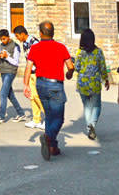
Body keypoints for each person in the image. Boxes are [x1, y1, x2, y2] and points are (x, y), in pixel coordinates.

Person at [23, 21, 74, 161]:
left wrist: (26, 85)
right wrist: (69, 74)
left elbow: (28, 67)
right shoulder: (61, 47)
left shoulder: (35, 48)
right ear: (53, 33)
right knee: (58, 118)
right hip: (55, 86)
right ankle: (48, 137)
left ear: (40, 33)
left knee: (50, 116)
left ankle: (53, 147)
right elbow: (70, 66)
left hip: (40, 84)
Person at [73, 28, 109, 140]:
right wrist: (105, 79)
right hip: (94, 83)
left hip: (82, 83)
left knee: (87, 106)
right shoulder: (98, 52)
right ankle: (92, 124)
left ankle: (89, 128)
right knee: (96, 105)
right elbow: (102, 67)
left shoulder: (79, 52)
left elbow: (77, 68)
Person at [14, 25, 44, 130]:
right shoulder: (25, 43)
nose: (17, 38)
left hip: (37, 72)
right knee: (31, 96)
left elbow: (39, 58)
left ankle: (49, 118)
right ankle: (36, 120)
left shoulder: (34, 42)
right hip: (30, 72)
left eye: (17, 36)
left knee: (37, 96)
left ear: (23, 34)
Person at [0, 28, 26, 123]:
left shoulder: (15, 46)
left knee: (3, 93)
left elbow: (15, 62)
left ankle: (1, 116)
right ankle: (21, 113)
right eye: (1, 39)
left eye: (4, 39)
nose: (3, 41)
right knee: (9, 94)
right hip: (3, 71)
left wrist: (7, 57)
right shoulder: (1, 45)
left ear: (8, 36)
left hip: (11, 71)